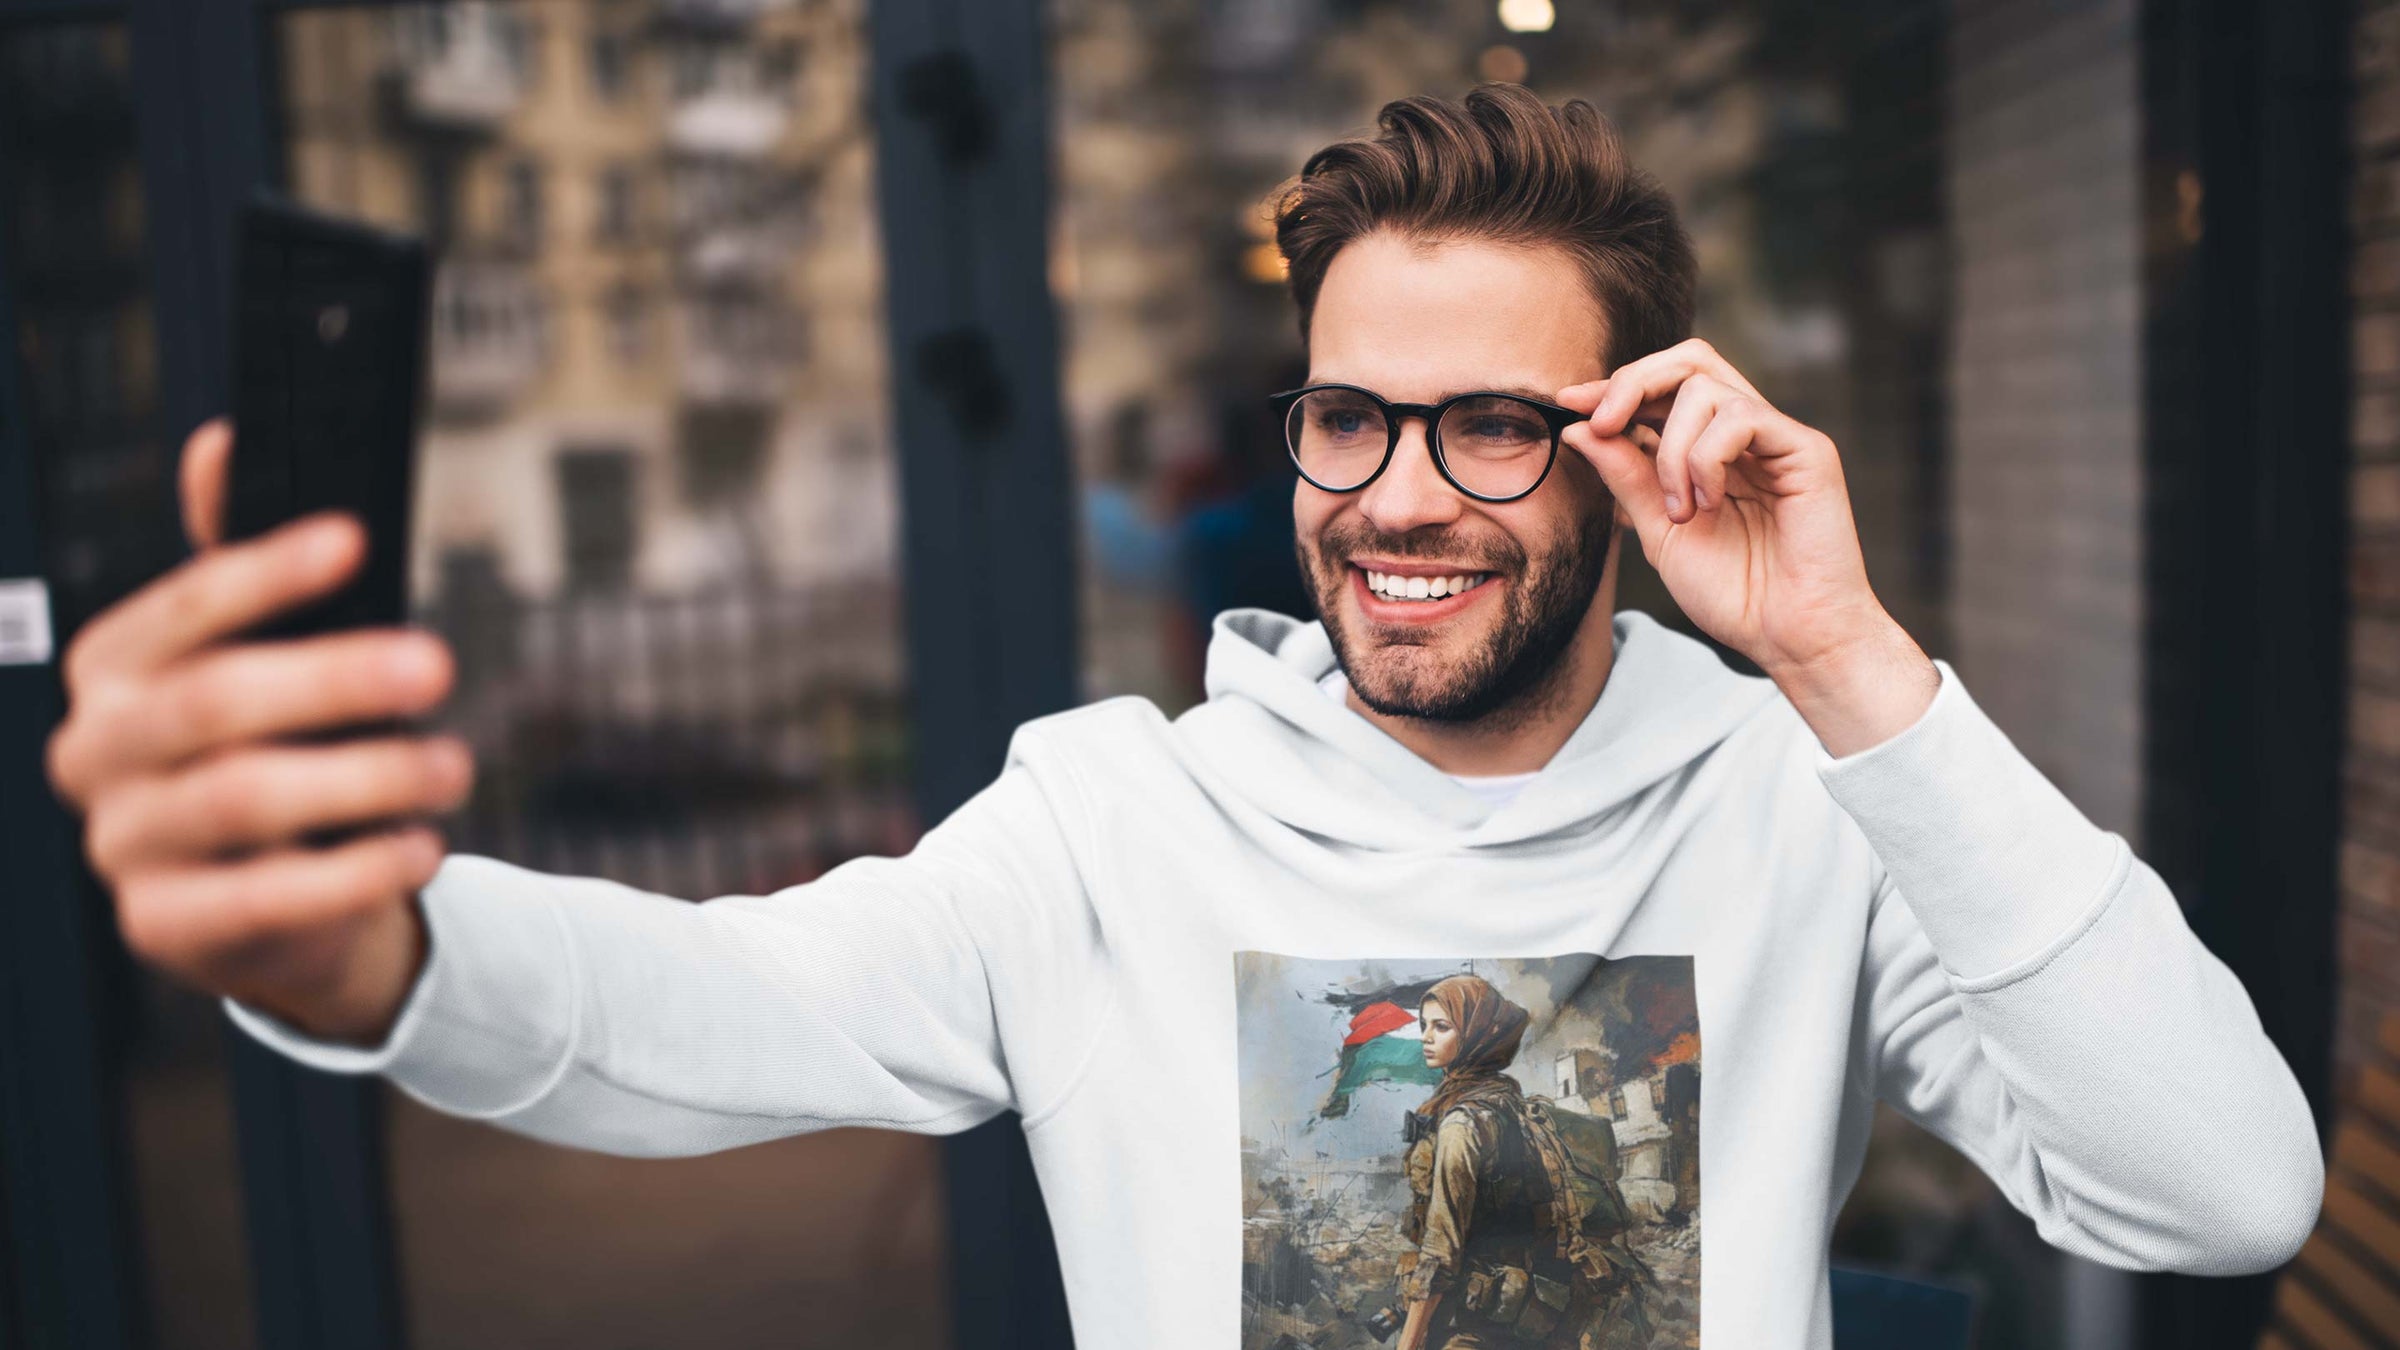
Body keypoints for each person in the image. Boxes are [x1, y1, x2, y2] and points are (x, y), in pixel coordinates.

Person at [43, 85, 2323, 1348]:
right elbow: (699, 998)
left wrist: (1839, 662)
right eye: (1345, 415)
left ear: (1626, 453)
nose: (1396, 497)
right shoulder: (1108, 817)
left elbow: (2214, 1189)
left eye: (1487, 429)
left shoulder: (1797, 801)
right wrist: (370, 955)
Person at [1398, 974, 1651, 1350]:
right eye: (1423, 1026)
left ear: (1475, 1034)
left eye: (1441, 1026)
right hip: (1536, 1316)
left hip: (1479, 1322)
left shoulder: (1462, 1124)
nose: (1425, 1037)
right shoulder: (1513, 1107)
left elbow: (1440, 1258)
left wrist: (1408, 1344)